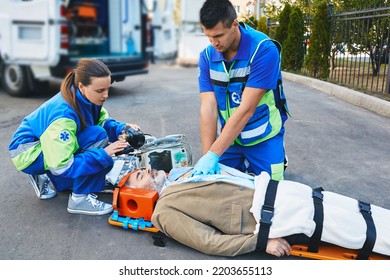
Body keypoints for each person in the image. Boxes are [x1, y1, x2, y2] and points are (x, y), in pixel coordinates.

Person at [122, 165, 390, 258]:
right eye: (138, 177)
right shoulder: (164, 211)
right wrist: (263, 242)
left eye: (141, 169)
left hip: (278, 191)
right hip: (271, 214)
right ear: (133, 196)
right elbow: (208, 242)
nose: (145, 171)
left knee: (358, 210)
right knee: (358, 231)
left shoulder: (179, 177)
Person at [8, 58, 141, 216]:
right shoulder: (63, 116)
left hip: (38, 143)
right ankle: (79, 199)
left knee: (97, 135)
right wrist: (104, 154)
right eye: (100, 91)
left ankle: (45, 178)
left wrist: (123, 129)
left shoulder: (85, 97)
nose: (105, 95)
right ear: (82, 87)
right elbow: (62, 167)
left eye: (107, 89)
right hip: (28, 153)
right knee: (97, 140)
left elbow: (102, 122)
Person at [194, 0, 289, 180]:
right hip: (231, 139)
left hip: (264, 136)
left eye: (219, 35)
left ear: (235, 25)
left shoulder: (264, 50)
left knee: (273, 192)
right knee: (216, 186)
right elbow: (208, 108)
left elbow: (246, 109)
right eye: (208, 36)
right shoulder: (206, 57)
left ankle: (278, 158)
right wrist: (208, 156)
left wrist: (214, 154)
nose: (214, 42)